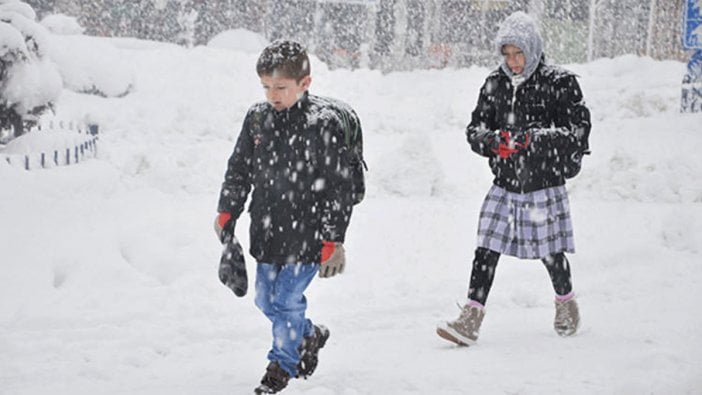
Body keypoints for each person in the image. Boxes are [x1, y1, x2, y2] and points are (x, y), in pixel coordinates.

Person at [214, 40, 363, 394]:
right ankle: (308, 335)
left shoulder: (321, 124)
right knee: (265, 300)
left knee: (284, 301)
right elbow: (239, 170)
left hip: (308, 232)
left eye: (281, 87)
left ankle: (282, 364)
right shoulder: (257, 119)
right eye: (266, 87)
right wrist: (227, 210)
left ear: (304, 84)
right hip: (267, 230)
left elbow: (338, 188)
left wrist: (332, 239)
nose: (273, 95)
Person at [436, 11, 591, 346]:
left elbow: (577, 132)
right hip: (505, 183)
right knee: (486, 248)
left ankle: (566, 304)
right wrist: (493, 142)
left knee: (550, 252)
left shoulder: (560, 83)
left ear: (533, 49)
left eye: (519, 53)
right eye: (507, 54)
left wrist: (534, 139)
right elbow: (475, 129)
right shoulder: (495, 83)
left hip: (543, 183)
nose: (513, 61)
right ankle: (471, 317)